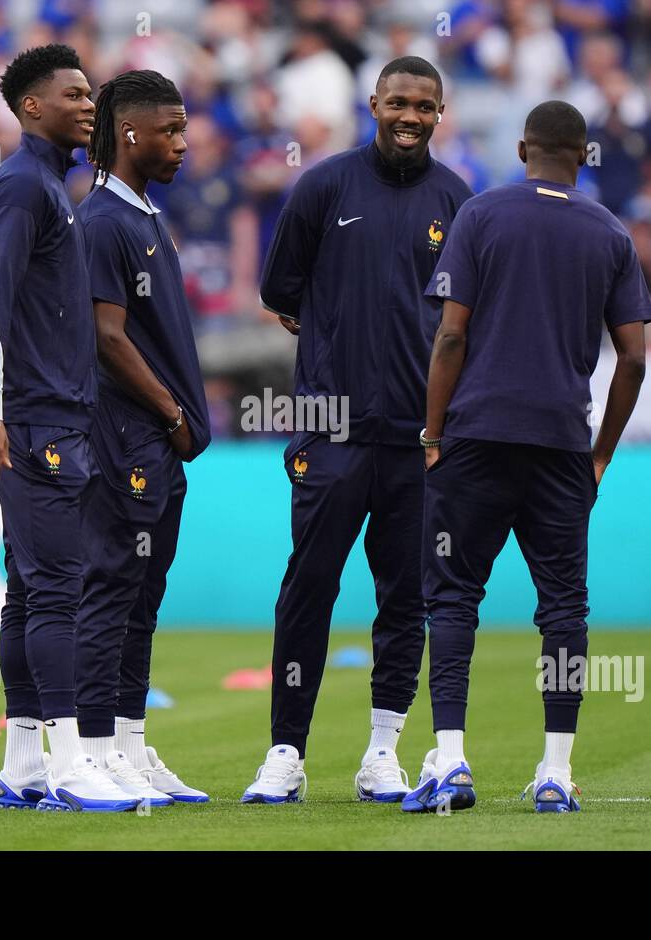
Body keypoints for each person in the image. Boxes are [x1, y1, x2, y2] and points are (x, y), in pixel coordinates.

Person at [406, 100, 651, 814]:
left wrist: (431, 433)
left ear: (522, 149)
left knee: (452, 597)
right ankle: (555, 770)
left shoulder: (480, 216)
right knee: (564, 608)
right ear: (583, 156)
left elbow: (450, 337)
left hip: (476, 436)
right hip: (560, 446)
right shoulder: (609, 232)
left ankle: (450, 761)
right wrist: (599, 456)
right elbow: (633, 358)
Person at [242, 56, 474, 804]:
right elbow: (280, 293)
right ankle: (285, 752)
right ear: (373, 103)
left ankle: (383, 750)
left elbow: (467, 325)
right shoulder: (323, 185)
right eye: (397, 102)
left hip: (418, 437)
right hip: (329, 428)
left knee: (405, 596)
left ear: (441, 113)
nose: (410, 116)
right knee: (308, 589)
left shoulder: (459, 203)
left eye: (424, 106)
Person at [0, 44, 135, 813]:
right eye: (74, 94)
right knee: (59, 590)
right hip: (34, 422)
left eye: (91, 93)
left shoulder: (48, 187)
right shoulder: (20, 188)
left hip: (51, 417)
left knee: (29, 595)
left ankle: (24, 766)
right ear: (32, 107)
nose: (89, 104)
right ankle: (69, 765)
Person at [71, 69, 211, 805]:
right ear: (130, 132)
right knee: (111, 590)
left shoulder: (145, 217)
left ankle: (129, 745)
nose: (183, 144)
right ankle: (92, 752)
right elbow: (105, 336)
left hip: (157, 444)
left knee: (142, 598)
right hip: (125, 437)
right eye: (171, 130)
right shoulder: (100, 222)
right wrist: (171, 410)